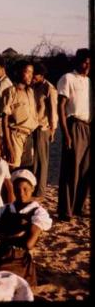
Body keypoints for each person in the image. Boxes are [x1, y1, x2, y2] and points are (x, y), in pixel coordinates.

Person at [0, 169, 52, 287]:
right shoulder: (5, 208)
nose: (21, 193)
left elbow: (29, 243)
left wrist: (2, 233)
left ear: (32, 189)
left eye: (25, 189)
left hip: (18, 259)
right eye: (17, 189)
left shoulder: (38, 213)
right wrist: (18, 233)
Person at [57, 48, 91, 221]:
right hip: (74, 125)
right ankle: (66, 210)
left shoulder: (89, 82)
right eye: (85, 61)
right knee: (72, 170)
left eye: (90, 62)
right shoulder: (67, 78)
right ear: (77, 61)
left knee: (85, 170)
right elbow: (61, 107)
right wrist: (67, 134)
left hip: (88, 126)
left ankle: (79, 207)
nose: (87, 65)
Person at [1, 60, 38, 170]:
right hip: (15, 136)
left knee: (25, 170)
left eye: (32, 72)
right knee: (12, 168)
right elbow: (5, 119)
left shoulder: (31, 92)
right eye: (27, 72)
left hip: (29, 136)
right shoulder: (10, 92)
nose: (30, 76)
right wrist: (8, 145)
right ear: (18, 73)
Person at [31, 62, 58, 197]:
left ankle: (40, 190)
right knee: (33, 159)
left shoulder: (49, 89)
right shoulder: (33, 87)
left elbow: (53, 111)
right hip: (32, 127)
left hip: (43, 128)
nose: (32, 77)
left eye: (34, 75)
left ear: (41, 75)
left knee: (42, 160)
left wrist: (53, 129)